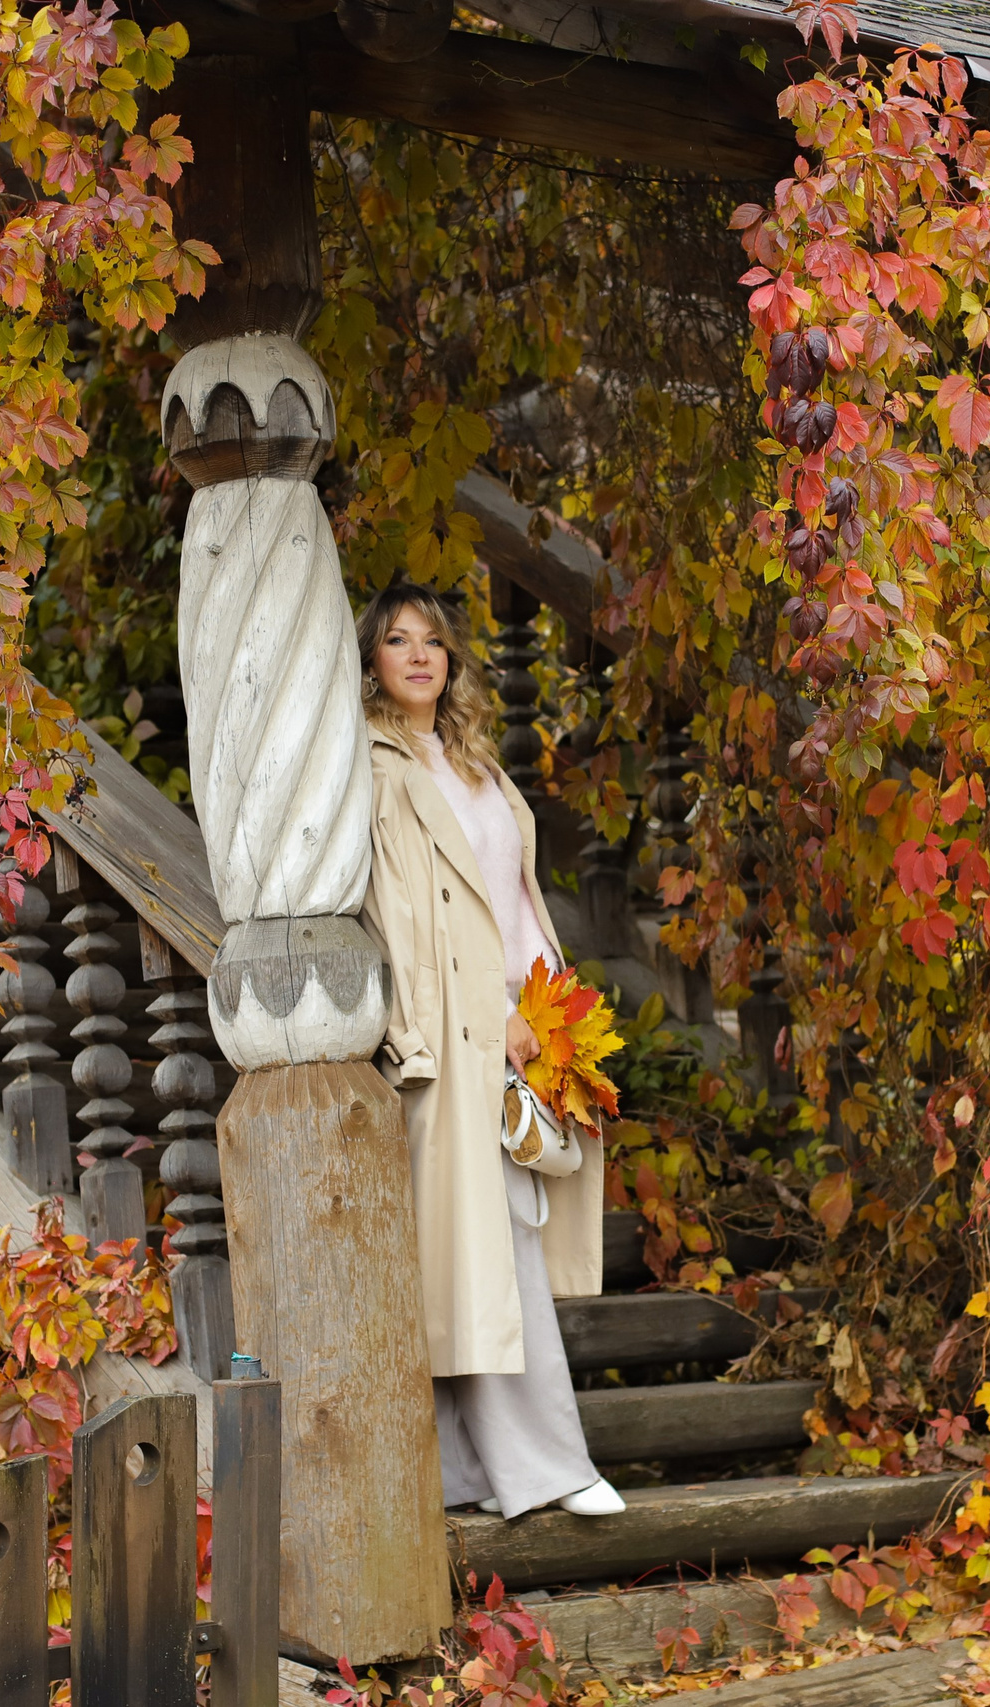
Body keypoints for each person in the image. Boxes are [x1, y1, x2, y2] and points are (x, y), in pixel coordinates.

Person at [358, 581, 625, 1520]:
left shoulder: (473, 761)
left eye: (432, 640)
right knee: (487, 1257)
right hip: (456, 1036)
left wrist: (546, 1008)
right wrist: (469, 1020)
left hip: (523, 1023)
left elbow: (514, 897)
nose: (419, 655)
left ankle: (465, 1476)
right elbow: (399, 919)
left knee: (483, 1257)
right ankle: (550, 1466)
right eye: (398, 640)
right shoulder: (379, 767)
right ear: (375, 660)